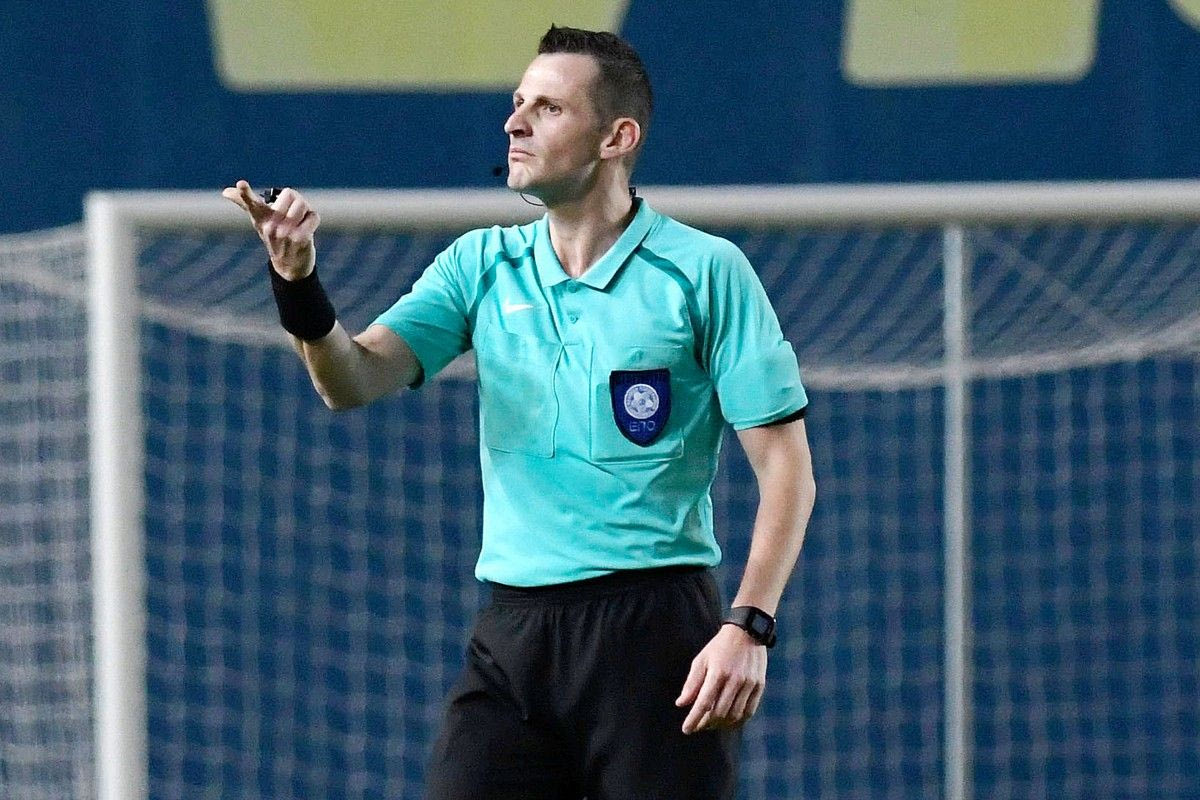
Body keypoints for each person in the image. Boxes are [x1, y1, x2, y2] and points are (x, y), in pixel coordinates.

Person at [224, 24, 816, 800]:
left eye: (548, 108)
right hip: (512, 635)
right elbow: (352, 380)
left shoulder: (704, 272)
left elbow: (787, 470)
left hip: (655, 634)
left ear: (617, 137)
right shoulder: (481, 264)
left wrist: (749, 626)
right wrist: (297, 282)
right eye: (517, 103)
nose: (515, 123)